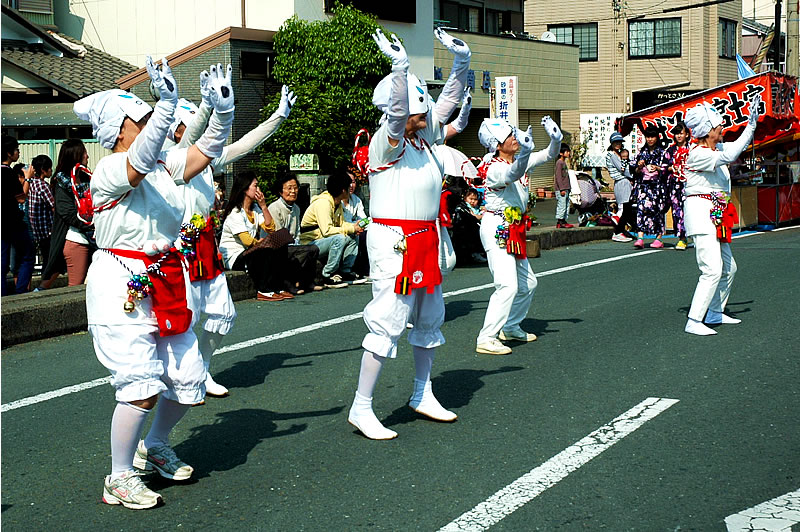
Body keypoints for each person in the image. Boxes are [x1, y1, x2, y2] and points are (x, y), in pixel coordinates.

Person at [77, 57, 235, 509]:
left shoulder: (164, 166)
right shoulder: (109, 170)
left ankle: (156, 445)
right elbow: (141, 159)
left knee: (188, 378)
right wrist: (166, 106)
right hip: (120, 287)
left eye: (150, 118)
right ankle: (119, 475)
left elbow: (206, 152)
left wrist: (221, 112)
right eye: (140, 120)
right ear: (118, 133)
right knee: (140, 386)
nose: (150, 125)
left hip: (165, 279)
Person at [347, 27, 470, 440]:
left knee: (429, 318)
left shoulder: (424, 139)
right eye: (419, 107)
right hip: (393, 241)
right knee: (387, 322)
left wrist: (462, 62)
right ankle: (361, 407)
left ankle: (423, 392)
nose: (427, 112)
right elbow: (400, 115)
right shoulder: (387, 141)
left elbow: (448, 105)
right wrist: (399, 68)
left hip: (426, 237)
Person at [167, 84, 297, 397]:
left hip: (205, 247)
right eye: (193, 123)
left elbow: (244, 144)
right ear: (177, 130)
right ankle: (178, 380)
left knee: (223, 312)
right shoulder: (169, 159)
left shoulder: (209, 162)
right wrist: (205, 105)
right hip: (176, 249)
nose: (202, 130)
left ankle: (203, 368)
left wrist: (278, 116)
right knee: (183, 320)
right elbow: (188, 140)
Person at [474, 115, 563, 355]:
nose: (515, 138)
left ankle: (511, 326)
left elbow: (546, 154)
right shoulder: (492, 168)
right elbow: (512, 174)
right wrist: (525, 152)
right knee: (507, 285)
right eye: (509, 136)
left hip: (513, 228)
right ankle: (487, 337)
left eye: (514, 134)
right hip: (496, 228)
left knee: (528, 283)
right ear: (496, 144)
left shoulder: (517, 159)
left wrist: (556, 139)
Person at [682, 95, 760, 336]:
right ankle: (694, 320)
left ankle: (715, 311)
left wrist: (751, 124)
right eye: (718, 126)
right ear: (708, 131)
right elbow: (731, 154)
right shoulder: (698, 153)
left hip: (717, 213)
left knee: (729, 267)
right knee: (712, 269)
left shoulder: (717, 148)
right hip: (701, 213)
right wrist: (750, 125)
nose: (722, 128)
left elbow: (735, 148)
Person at [219, 171, 292, 301]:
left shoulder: (255, 210)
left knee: (281, 237)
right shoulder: (235, 213)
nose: (258, 189)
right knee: (266, 248)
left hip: (250, 253)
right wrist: (262, 242)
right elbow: (247, 241)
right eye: (255, 186)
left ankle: (278, 286)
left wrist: (263, 206)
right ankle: (264, 290)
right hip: (235, 257)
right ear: (245, 189)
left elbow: (271, 228)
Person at [41, 139, 97, 287]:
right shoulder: (62, 181)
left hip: (90, 238)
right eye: (84, 152)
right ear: (76, 155)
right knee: (75, 287)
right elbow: (66, 212)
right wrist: (90, 223)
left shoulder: (86, 177)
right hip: (76, 239)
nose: (87, 156)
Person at [299, 171, 363, 287]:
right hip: (309, 244)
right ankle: (327, 275)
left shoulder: (337, 203)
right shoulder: (323, 203)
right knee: (339, 238)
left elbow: (342, 224)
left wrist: (354, 228)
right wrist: (350, 229)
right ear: (343, 190)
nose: (351, 189)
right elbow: (326, 230)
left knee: (353, 235)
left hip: (322, 240)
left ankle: (345, 272)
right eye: (349, 186)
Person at [268, 174, 323, 293]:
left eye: (295, 188)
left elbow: (297, 232)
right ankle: (288, 283)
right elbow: (278, 235)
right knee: (305, 251)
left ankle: (307, 282)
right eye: (289, 188)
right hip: (277, 248)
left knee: (313, 249)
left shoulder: (296, 208)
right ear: (280, 191)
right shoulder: (274, 208)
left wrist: (297, 244)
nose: (293, 191)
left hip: (292, 245)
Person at [1, 135, 36, 295]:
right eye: (16, 150)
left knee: (3, 259)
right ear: (9, 153)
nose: (18, 152)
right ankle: (21, 290)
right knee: (28, 255)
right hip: (13, 222)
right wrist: (27, 178)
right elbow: (21, 198)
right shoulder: (8, 173)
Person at [632, 125, 670, 249]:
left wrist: (658, 168)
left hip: (658, 186)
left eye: (652, 136)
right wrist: (639, 166)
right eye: (648, 136)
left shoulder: (663, 152)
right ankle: (640, 237)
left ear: (657, 137)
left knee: (658, 211)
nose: (650, 139)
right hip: (644, 186)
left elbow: (668, 168)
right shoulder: (641, 153)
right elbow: (634, 171)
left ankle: (659, 238)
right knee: (641, 210)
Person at [26, 155, 55, 278]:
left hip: (36, 230)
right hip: (46, 230)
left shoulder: (32, 184)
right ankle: (45, 282)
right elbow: (54, 206)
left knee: (45, 256)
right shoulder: (43, 186)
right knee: (49, 259)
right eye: (49, 168)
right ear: (43, 170)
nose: (51, 171)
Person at [606, 132, 635, 242]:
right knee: (625, 209)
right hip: (622, 182)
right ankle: (618, 232)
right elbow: (623, 170)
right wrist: (635, 173)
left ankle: (620, 231)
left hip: (624, 182)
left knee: (626, 208)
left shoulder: (619, 154)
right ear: (612, 143)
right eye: (616, 142)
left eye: (620, 142)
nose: (618, 144)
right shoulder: (613, 155)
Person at [666, 122, 690, 250]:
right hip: (675, 184)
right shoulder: (671, 150)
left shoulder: (693, 149)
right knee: (677, 211)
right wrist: (674, 168)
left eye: (681, 133)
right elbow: (664, 167)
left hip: (691, 183)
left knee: (691, 210)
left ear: (687, 134)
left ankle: (694, 234)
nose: (679, 136)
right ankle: (681, 237)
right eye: (676, 133)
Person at [341, 170, 371, 277]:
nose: (351, 185)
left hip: (356, 229)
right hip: (343, 230)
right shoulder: (337, 200)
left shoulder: (356, 200)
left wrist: (361, 225)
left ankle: (366, 270)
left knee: (367, 235)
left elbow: (364, 219)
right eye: (348, 182)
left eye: (353, 182)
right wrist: (355, 225)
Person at [452, 188, 487, 264]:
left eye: (475, 199)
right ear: (465, 198)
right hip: (471, 227)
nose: (473, 201)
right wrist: (483, 216)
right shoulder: (466, 208)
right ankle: (476, 253)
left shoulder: (476, 207)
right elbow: (474, 217)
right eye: (470, 199)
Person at [554, 143, 574, 228]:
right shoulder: (559, 163)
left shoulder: (563, 163)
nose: (568, 153)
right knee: (562, 205)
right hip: (561, 189)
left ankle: (564, 220)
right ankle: (560, 221)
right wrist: (561, 189)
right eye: (567, 151)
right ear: (561, 153)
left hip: (566, 188)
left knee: (566, 205)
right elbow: (558, 177)